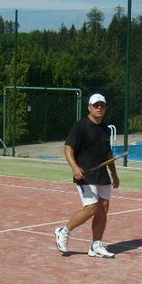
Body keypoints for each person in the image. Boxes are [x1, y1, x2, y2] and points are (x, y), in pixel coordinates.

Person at [54, 93, 120, 258]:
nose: (99, 108)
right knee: (91, 208)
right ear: (89, 107)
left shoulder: (105, 128)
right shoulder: (80, 126)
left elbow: (108, 154)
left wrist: (114, 174)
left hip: (102, 174)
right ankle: (64, 231)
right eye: (96, 105)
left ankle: (96, 245)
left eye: (102, 105)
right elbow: (68, 148)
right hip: (84, 174)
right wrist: (74, 167)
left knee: (103, 209)